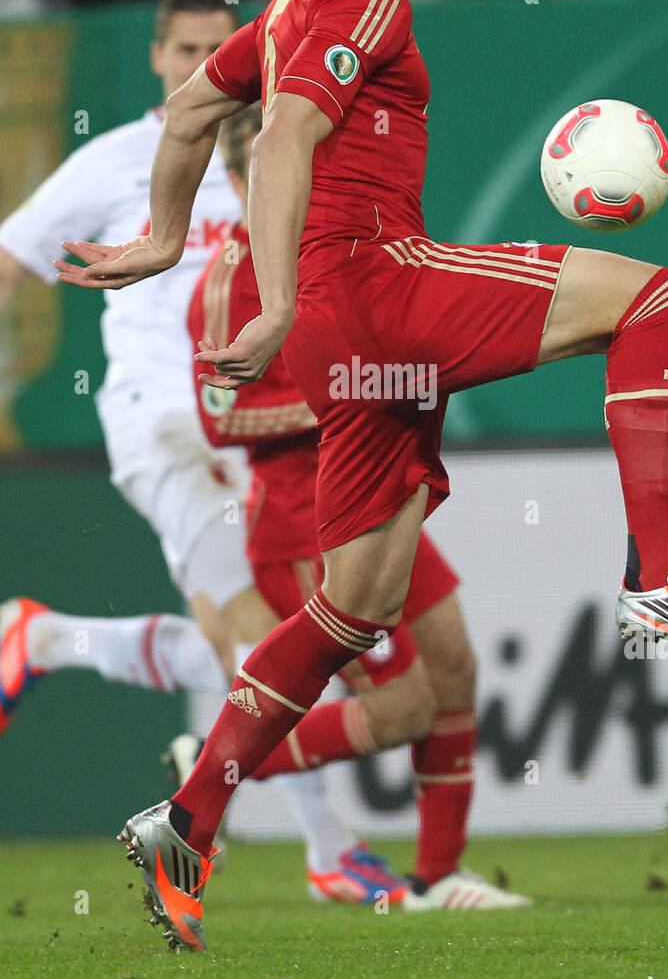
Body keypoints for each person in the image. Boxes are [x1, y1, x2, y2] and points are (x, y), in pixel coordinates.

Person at [56, 0, 668, 953]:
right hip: (373, 285)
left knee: (354, 609)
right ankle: (661, 573)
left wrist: (160, 233)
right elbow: (283, 137)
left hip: (348, 336)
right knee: (657, 297)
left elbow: (197, 109)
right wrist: (283, 296)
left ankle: (185, 821)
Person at [0, 0, 382, 899]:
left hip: (260, 430)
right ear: (159, 58)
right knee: (264, 635)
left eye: (218, 48)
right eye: (186, 50)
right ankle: (329, 852)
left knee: (292, 645)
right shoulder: (118, 160)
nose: (204, 65)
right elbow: (5, 264)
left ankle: (47, 642)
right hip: (160, 425)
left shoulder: (279, 154)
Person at [183, 105, 527, 911]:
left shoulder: (342, 249)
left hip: (384, 482)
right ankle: (211, 769)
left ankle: (439, 876)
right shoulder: (230, 278)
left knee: (454, 665)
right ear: (237, 181)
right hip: (309, 513)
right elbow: (219, 416)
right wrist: (344, 395)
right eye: (263, 168)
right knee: (403, 709)